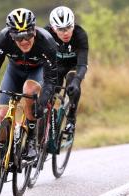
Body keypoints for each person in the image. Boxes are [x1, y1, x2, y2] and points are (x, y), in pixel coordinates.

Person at [0, 8, 58, 163]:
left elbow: (51, 79)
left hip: (37, 72)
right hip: (14, 72)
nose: (24, 41)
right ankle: (3, 153)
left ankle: (31, 140)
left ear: (34, 30)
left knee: (29, 89)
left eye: (28, 35)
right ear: (11, 35)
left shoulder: (46, 42)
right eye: (18, 37)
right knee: (2, 115)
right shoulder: (2, 39)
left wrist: (42, 101)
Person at [45, 6, 88, 134]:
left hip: (74, 66)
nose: (65, 32)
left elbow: (83, 64)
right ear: (53, 28)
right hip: (56, 66)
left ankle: (71, 119)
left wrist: (77, 81)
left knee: (72, 81)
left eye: (69, 27)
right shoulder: (46, 35)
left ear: (73, 24)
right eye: (61, 29)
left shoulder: (80, 35)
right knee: (50, 93)